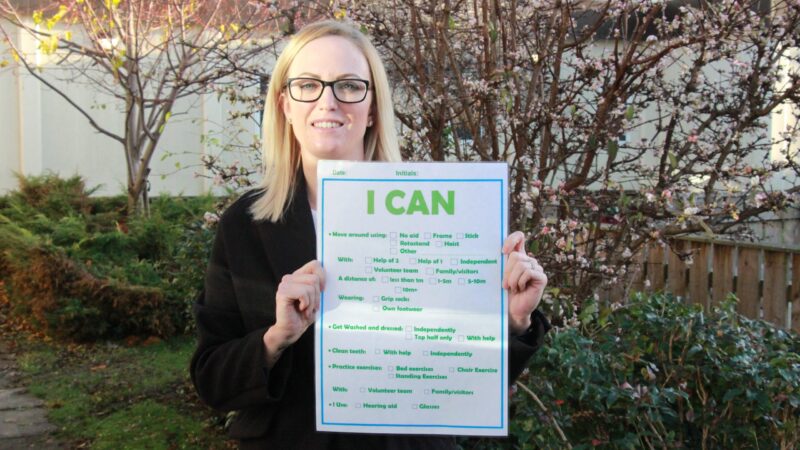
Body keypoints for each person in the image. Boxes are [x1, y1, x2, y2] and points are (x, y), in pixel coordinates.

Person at [190, 19, 551, 450]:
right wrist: (276, 338)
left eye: (348, 85)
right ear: (285, 105)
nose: (328, 101)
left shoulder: (446, 215)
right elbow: (213, 381)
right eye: (308, 85)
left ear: (373, 106)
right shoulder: (244, 225)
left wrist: (511, 320)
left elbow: (465, 378)